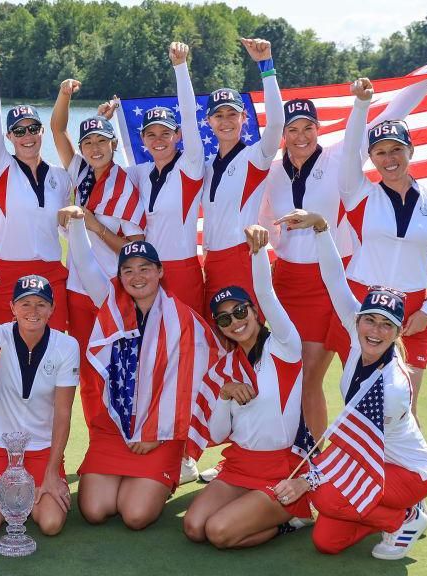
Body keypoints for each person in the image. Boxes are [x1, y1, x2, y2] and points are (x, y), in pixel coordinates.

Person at [258, 58, 427, 439]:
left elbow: (393, 112)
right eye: (293, 130)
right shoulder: (270, 173)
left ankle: (344, 459)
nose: (301, 136)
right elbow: (261, 222)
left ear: (319, 130)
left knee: (346, 374)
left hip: (335, 279)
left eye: (309, 128)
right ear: (282, 134)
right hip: (289, 280)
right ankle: (305, 456)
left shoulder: (342, 156)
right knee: (297, 375)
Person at [272, 209, 427, 560]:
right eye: (370, 321)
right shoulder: (354, 332)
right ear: (358, 320)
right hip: (370, 463)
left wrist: (309, 479)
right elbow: (335, 280)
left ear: (396, 334)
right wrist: (321, 227)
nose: (374, 331)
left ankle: (405, 515)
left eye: (385, 326)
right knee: (327, 541)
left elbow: (352, 448)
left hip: (406, 473)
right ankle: (380, 515)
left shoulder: (390, 388)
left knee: (324, 495)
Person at [61, 209, 219, 530]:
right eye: (128, 270)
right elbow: (85, 262)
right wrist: (78, 224)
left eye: (145, 268)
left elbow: (197, 383)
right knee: (94, 510)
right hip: (115, 429)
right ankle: (120, 476)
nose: (137, 276)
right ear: (120, 277)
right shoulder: (111, 305)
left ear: (160, 271)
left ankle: (156, 472)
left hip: (160, 434)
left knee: (135, 515)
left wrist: (157, 436)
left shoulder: (185, 320)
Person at [327, 76, 427, 416]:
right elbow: (349, 149)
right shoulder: (359, 193)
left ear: (410, 150)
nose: (389, 159)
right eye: (380, 152)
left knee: (405, 408)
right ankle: (356, 469)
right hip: (362, 303)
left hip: (415, 309)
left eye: (396, 150)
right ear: (370, 157)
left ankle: (411, 471)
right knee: (360, 403)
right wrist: (361, 105)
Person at [182, 225, 309, 549]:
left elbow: (266, 292)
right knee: (195, 528)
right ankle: (255, 510)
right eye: (225, 319)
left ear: (255, 311)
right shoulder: (223, 369)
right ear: (221, 329)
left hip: (282, 466)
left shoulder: (284, 345)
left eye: (240, 311)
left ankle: (292, 518)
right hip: (240, 465)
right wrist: (224, 397)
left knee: (220, 533)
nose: (235, 321)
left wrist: (256, 254)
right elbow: (216, 432)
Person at [50, 79, 146, 426]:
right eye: (88, 142)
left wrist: (96, 227)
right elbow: (57, 130)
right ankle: (97, 441)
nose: (94, 148)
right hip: (78, 290)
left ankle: (122, 432)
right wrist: (65, 94)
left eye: (101, 142)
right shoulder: (81, 173)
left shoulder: (125, 185)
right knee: (87, 370)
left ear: (113, 144)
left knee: (117, 366)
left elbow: (135, 251)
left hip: (112, 290)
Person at [0, 271, 79, 536]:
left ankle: (24, 490)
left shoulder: (67, 346)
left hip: (41, 448)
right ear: (12, 307)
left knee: (50, 524)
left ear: (52, 308)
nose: (32, 310)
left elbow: (63, 412)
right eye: (25, 303)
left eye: (41, 304)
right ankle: (14, 492)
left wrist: (51, 472)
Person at [0, 48, 72, 331]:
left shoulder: (60, 176)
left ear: (42, 131)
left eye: (33, 129)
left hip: (51, 275)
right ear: (9, 137)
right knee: (0, 354)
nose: (27, 136)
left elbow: (66, 227)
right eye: (19, 131)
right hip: (4, 274)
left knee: (52, 354)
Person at [201, 38, 284, 314]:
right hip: (211, 261)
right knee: (218, 341)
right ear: (209, 121)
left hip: (241, 257)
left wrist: (266, 67)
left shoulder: (255, 157)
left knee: (247, 338)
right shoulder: (206, 166)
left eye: (232, 115)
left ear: (244, 118)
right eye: (219, 115)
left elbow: (276, 123)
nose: (225, 121)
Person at [126, 41, 206, 317]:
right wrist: (104, 124)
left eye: (166, 133)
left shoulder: (190, 166)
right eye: (151, 134)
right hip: (147, 271)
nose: (158, 140)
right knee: (151, 346)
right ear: (143, 140)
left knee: (188, 344)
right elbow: (98, 167)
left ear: (178, 135)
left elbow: (190, 116)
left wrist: (180, 67)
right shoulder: (140, 172)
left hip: (183, 269)